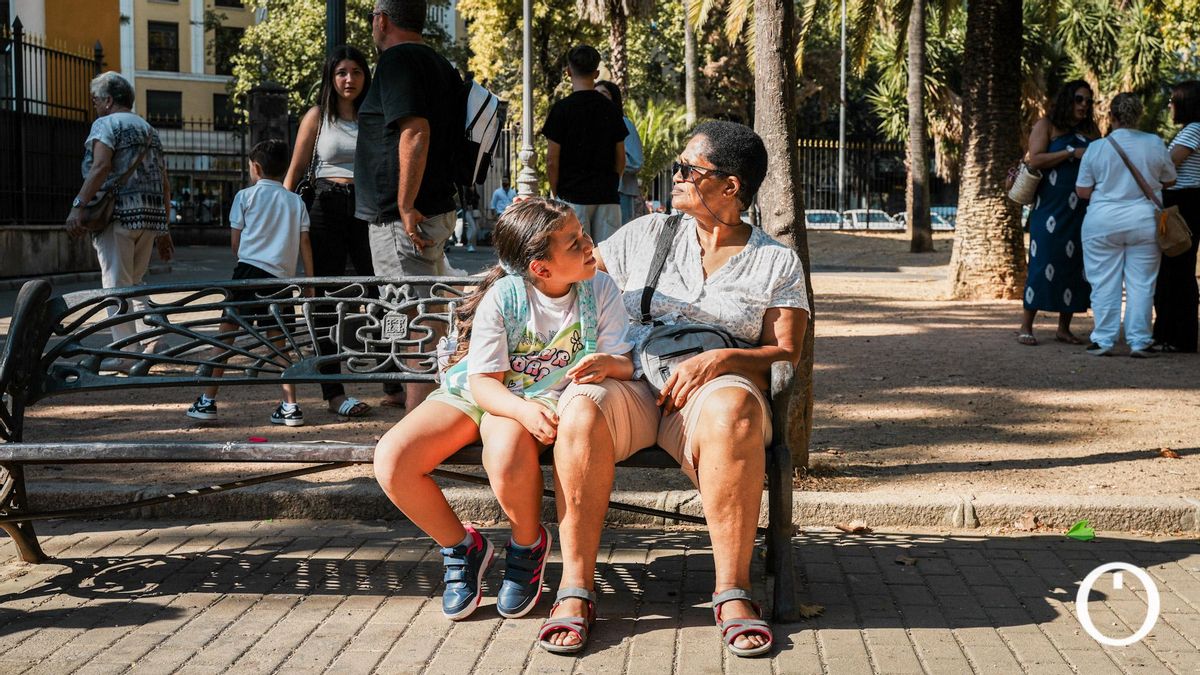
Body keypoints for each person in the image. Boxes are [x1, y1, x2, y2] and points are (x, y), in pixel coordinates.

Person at [539, 121, 809, 657]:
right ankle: (575, 588)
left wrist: (722, 357)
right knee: (581, 407)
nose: (677, 176)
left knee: (734, 410)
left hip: (715, 390)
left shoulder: (776, 261)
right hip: (636, 380)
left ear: (730, 187)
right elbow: (569, 275)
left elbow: (785, 352)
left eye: (690, 169)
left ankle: (733, 592)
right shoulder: (645, 236)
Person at [373, 198, 634, 621]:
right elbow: (483, 385)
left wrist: (610, 365)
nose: (589, 245)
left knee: (507, 447)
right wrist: (522, 411)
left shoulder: (599, 290)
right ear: (541, 269)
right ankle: (462, 547)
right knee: (393, 458)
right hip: (484, 392)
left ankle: (527, 545)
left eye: (583, 234)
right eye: (574, 243)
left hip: (540, 398)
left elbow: (624, 361)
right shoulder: (505, 296)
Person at [356, 0, 464, 409]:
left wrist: (404, 205)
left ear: (381, 20)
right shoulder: (440, 65)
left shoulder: (397, 61)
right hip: (430, 209)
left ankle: (416, 423)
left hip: (403, 219)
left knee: (411, 319)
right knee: (426, 314)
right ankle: (423, 410)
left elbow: (416, 131)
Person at [185, 140, 315, 424]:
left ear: (255, 168)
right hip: (280, 281)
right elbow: (305, 242)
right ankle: (290, 406)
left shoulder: (244, 197)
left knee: (226, 338)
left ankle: (207, 400)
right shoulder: (296, 202)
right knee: (280, 342)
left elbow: (235, 244)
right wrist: (309, 280)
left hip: (246, 274)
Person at [284, 45, 380, 417]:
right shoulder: (317, 116)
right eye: (342, 72)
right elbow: (294, 172)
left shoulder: (372, 116)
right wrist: (284, 217)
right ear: (331, 77)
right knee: (323, 296)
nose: (349, 79)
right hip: (324, 205)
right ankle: (334, 393)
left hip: (365, 208)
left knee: (378, 290)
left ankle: (390, 381)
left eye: (356, 72)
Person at [66, 71, 174, 372]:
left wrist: (78, 205)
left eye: (96, 99)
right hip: (149, 218)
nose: (95, 105)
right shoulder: (150, 130)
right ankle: (154, 336)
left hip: (118, 216)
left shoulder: (106, 124)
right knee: (134, 283)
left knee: (115, 286)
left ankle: (127, 354)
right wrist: (165, 227)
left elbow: (100, 167)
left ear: (109, 100)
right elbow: (164, 181)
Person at [1076, 93, 1177, 357]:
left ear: (1112, 116)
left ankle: (1103, 340)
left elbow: (1083, 191)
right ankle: (1139, 340)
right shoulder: (1154, 143)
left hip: (1102, 222)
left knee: (1103, 282)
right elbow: (1170, 179)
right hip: (1144, 221)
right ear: (1139, 115)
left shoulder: (1096, 148)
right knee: (1142, 283)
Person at [1017, 80, 1099, 346]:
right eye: (1079, 99)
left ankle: (1064, 328)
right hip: (1049, 206)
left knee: (1076, 266)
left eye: (1088, 100)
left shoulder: (1091, 130)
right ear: (1067, 99)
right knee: (1042, 261)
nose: (1084, 105)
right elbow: (1036, 158)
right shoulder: (1047, 125)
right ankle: (1026, 326)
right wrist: (1070, 152)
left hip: (1082, 208)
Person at [541, 45, 628, 243]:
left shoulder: (561, 110)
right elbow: (620, 157)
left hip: (572, 195)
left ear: (568, 71)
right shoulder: (611, 109)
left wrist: (557, 193)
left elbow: (551, 160)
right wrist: (613, 182)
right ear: (596, 73)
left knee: (574, 257)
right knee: (606, 259)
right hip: (606, 194)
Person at [1153, 80, 1200, 352]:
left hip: (1183, 202)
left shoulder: (1193, 130)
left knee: (1175, 270)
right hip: (1189, 201)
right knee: (1179, 269)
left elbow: (1169, 166)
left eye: (1173, 100)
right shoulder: (1192, 130)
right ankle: (1176, 335)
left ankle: (1174, 336)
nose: (1169, 105)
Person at [594, 80, 644, 225]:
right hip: (595, 194)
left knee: (619, 239)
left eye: (603, 93)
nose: (598, 97)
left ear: (613, 98)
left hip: (620, 194)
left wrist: (604, 161)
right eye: (595, 93)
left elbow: (636, 162)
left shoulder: (624, 123)